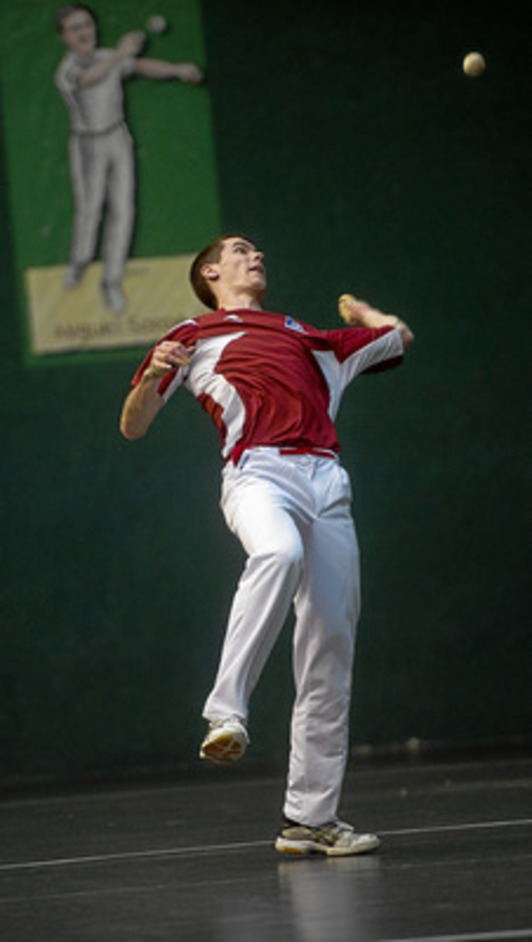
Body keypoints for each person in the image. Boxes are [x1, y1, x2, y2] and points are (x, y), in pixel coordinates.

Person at [120, 234, 414, 856]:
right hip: (258, 474)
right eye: (240, 250)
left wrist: (365, 315)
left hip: (327, 482)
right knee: (278, 553)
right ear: (210, 272)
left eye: (257, 251)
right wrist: (156, 374)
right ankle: (226, 713)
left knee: (330, 646)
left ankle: (309, 819)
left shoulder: (310, 338)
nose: (256, 256)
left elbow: (398, 337)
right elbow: (134, 424)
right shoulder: (193, 333)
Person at [55, 4, 203, 313]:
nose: (84, 32)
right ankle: (80, 262)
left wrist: (176, 70)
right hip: (87, 144)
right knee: (91, 209)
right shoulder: (67, 70)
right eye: (75, 28)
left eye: (87, 24)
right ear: (64, 37)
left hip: (117, 138)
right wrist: (120, 53)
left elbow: (141, 66)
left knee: (123, 209)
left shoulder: (107, 57)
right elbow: (87, 80)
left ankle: (111, 281)